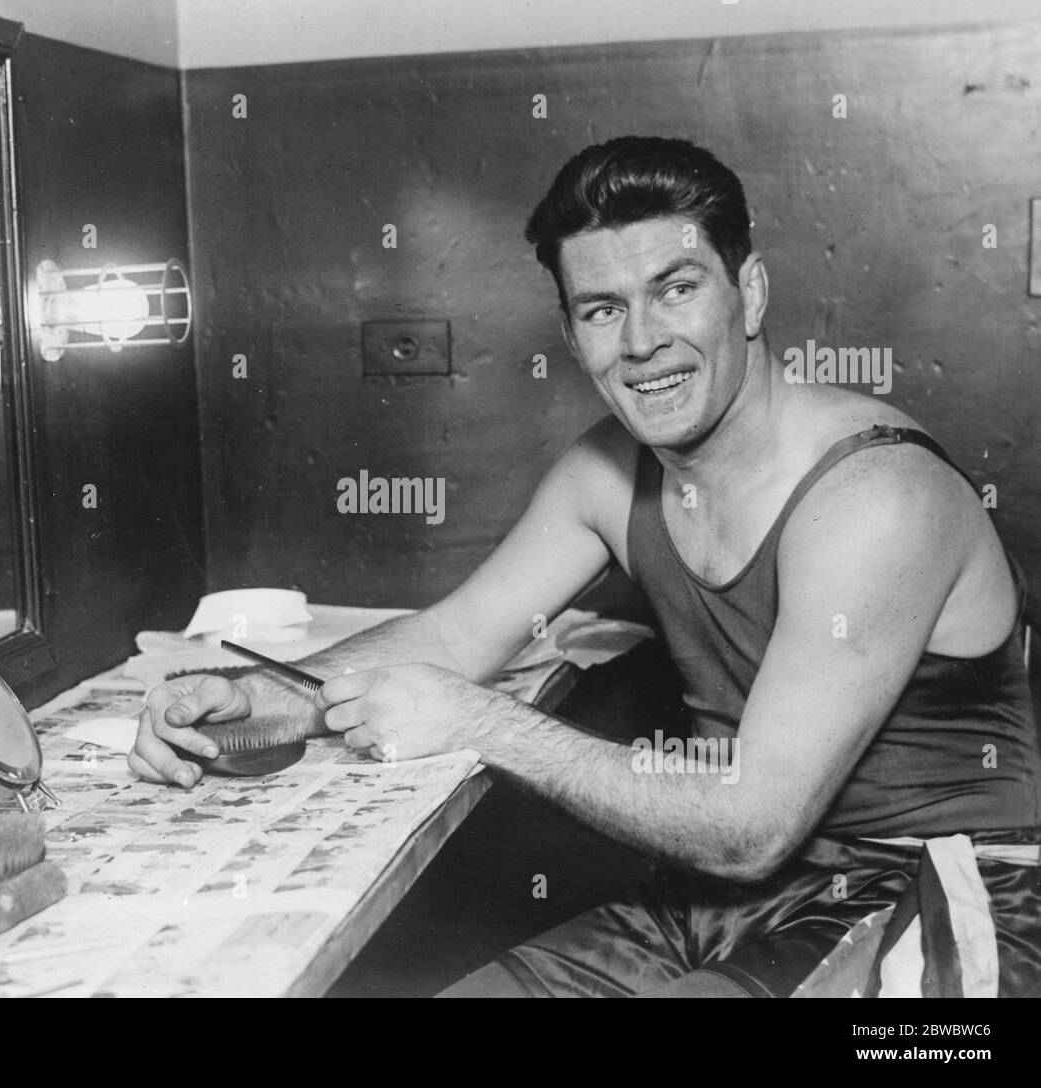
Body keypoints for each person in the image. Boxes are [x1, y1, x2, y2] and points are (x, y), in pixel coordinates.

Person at [129, 136, 1041, 997]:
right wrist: (268, 694)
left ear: (750, 294)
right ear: (573, 337)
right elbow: (457, 633)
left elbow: (751, 823)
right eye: (603, 309)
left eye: (675, 289)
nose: (641, 341)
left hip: (938, 896)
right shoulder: (608, 471)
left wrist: (486, 725)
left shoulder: (876, 496)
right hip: (718, 896)